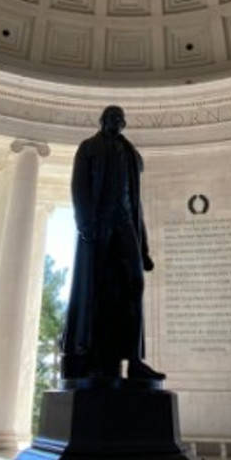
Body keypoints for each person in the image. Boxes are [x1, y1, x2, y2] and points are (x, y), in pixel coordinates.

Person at [61, 105, 164, 383]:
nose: (115, 123)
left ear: (124, 123)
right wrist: (85, 224)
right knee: (99, 291)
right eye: (110, 118)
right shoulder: (88, 148)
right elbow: (79, 187)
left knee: (134, 285)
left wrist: (143, 249)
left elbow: (136, 201)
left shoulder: (130, 154)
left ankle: (134, 360)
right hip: (98, 226)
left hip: (125, 225)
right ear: (102, 121)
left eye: (119, 119)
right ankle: (94, 358)